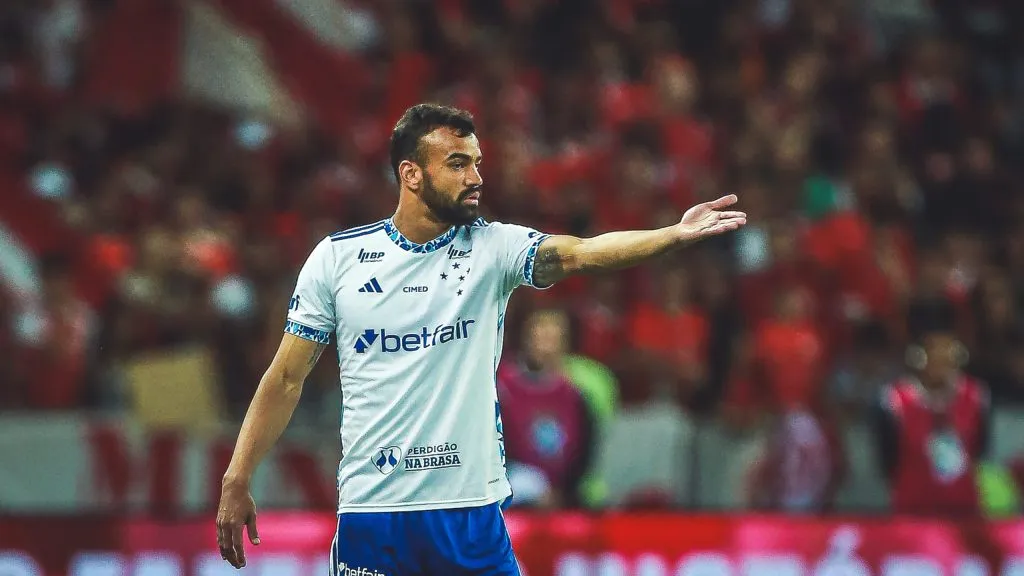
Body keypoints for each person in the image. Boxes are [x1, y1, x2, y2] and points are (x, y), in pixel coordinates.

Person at [215, 103, 746, 574]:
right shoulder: (338, 259)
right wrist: (237, 476)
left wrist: (671, 235)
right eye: (458, 163)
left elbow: (580, 252)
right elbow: (285, 378)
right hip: (374, 514)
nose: (475, 177)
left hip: (470, 511)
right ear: (412, 174)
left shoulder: (493, 249)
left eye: (477, 163)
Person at [873, 312, 992, 516]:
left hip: (964, 511)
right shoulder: (894, 401)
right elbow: (887, 460)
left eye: (948, 349)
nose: (942, 357)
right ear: (918, 356)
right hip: (913, 512)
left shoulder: (976, 396)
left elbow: (980, 449)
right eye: (934, 350)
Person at [497, 309, 594, 509]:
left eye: (552, 338)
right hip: (514, 493)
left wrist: (564, 491)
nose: (546, 346)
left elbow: (585, 447)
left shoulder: (575, 393)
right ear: (526, 340)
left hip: (565, 497)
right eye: (539, 337)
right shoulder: (504, 388)